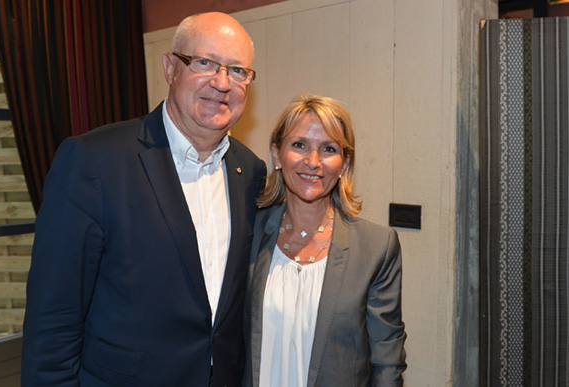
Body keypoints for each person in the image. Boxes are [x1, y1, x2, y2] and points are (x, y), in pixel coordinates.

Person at [21, 12, 266, 386]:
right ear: (170, 68)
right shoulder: (94, 162)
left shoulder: (251, 172)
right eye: (204, 63)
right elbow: (53, 321)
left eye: (237, 71)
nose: (222, 83)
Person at [243, 94, 407, 387]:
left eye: (328, 149)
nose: (313, 161)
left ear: (344, 164)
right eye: (299, 145)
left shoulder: (377, 246)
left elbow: (387, 361)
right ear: (277, 154)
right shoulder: (247, 233)